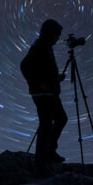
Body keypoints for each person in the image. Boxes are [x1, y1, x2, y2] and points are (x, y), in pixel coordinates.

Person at [20, 19, 68, 168]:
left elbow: (43, 70)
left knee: (61, 119)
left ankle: (49, 151)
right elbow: (25, 66)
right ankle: (41, 163)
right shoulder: (39, 46)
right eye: (56, 35)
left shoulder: (46, 46)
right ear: (50, 33)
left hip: (49, 93)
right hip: (42, 94)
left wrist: (56, 79)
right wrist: (38, 84)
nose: (58, 38)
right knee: (46, 124)